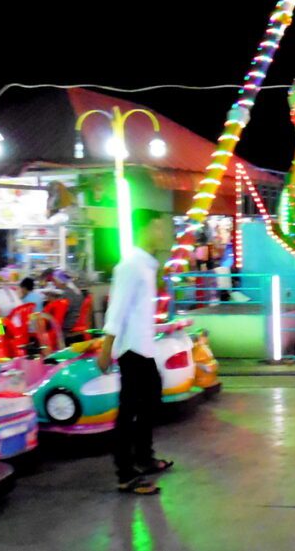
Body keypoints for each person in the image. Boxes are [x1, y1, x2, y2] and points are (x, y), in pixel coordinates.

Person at [98, 208, 174, 495]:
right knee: (129, 411)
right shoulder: (130, 265)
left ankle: (143, 458)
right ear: (144, 229)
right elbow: (116, 310)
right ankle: (126, 474)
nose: (162, 234)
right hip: (131, 349)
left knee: (150, 402)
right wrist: (106, 350)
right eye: (158, 228)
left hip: (145, 347)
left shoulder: (147, 264)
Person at [43, 268, 85, 337]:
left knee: (47, 325)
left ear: (60, 281)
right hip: (75, 318)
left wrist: (52, 301)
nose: (53, 283)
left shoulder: (67, 293)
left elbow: (61, 311)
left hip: (68, 323)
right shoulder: (73, 289)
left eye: (54, 281)